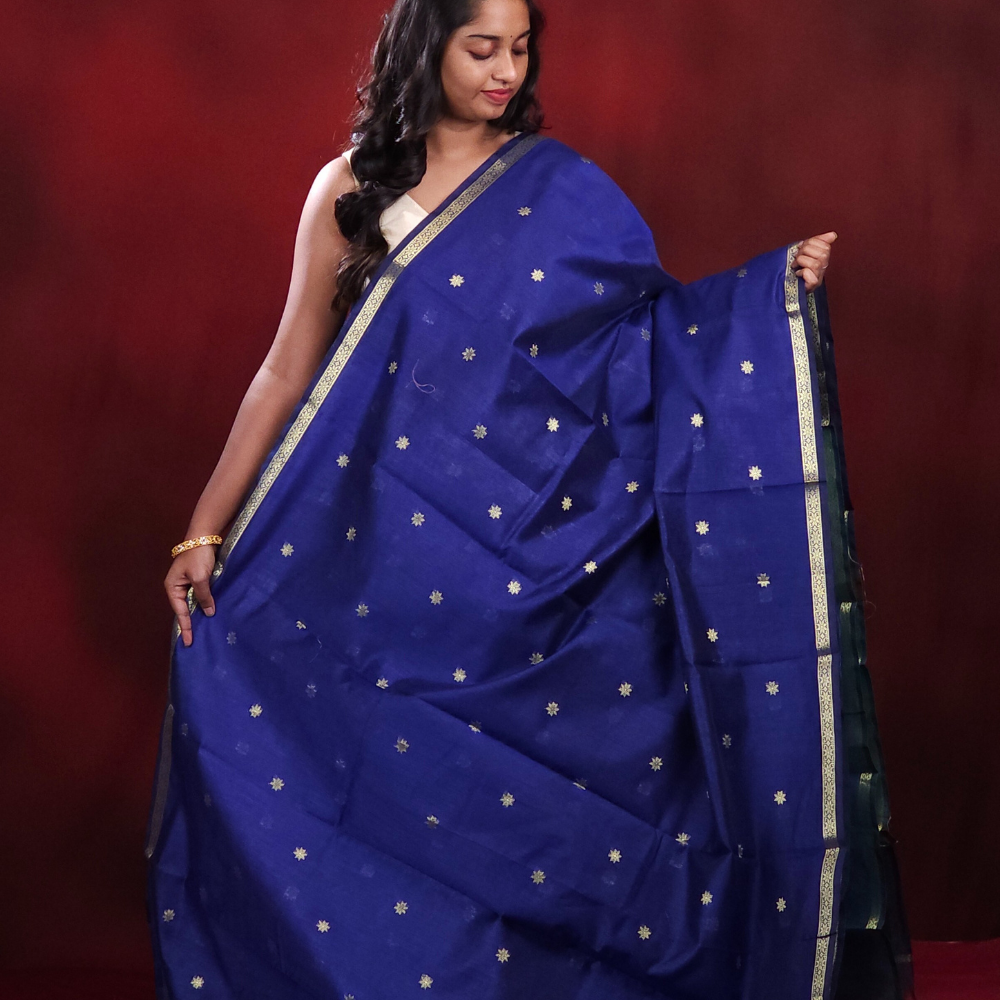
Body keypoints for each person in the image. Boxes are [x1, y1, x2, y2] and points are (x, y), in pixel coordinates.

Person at [146, 1, 914, 998]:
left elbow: (653, 343)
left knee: (531, 811)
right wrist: (203, 529)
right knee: (336, 749)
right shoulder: (352, 190)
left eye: (518, 49)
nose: (504, 71)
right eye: (481, 49)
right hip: (384, 554)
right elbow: (286, 369)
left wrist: (767, 299)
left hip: (539, 552)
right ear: (427, 46)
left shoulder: (557, 187)